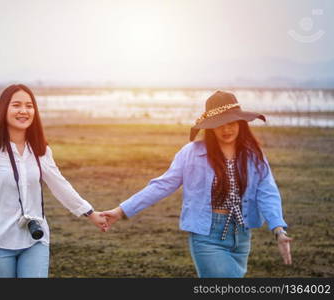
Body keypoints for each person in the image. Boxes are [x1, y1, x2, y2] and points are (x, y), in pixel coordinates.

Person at [100, 91, 292, 277]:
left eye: (231, 122)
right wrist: (120, 211)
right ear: (210, 127)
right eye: (220, 124)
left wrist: (278, 229)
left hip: (241, 235)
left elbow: (267, 192)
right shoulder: (191, 153)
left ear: (241, 123)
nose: (227, 129)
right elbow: (162, 185)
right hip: (207, 235)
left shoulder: (253, 155)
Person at [0, 84, 107, 278]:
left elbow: (60, 185)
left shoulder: (41, 151)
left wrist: (90, 213)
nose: (24, 111)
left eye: (29, 106)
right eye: (16, 105)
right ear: (3, 109)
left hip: (34, 240)